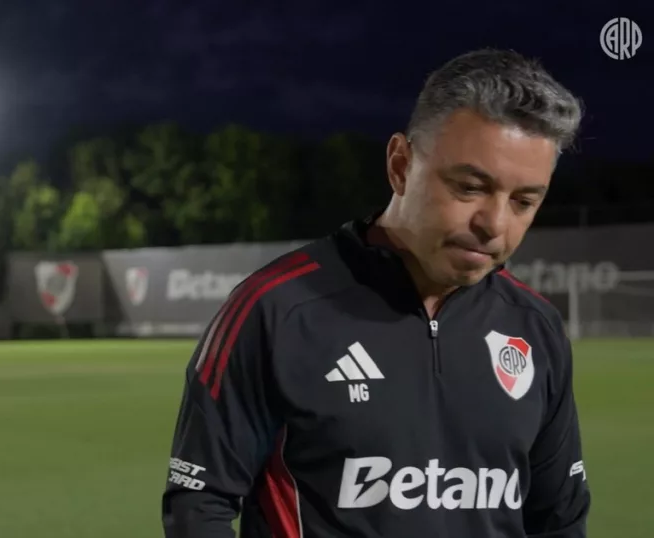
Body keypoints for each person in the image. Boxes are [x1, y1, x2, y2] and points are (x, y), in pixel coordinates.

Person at [161, 48, 590, 538]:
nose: (494, 224)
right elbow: (200, 505)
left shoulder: (535, 327)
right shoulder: (277, 309)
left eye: (523, 201)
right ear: (400, 165)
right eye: (470, 187)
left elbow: (559, 520)